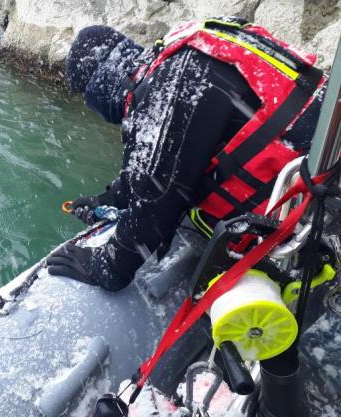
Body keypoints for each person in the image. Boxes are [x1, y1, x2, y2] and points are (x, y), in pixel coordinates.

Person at [48, 17, 327, 291]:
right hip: (323, 170)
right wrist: (109, 201)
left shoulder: (170, 87)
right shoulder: (183, 56)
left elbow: (155, 205)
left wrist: (104, 266)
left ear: (100, 86)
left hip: (318, 222)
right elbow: (167, 160)